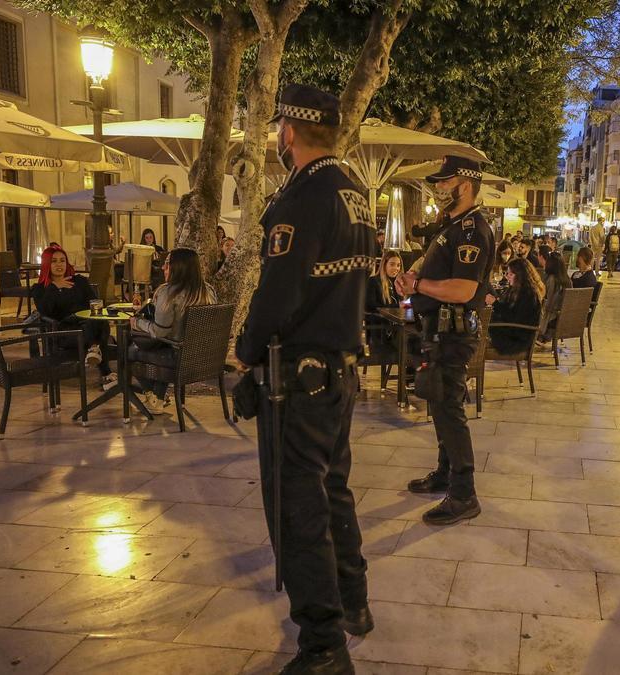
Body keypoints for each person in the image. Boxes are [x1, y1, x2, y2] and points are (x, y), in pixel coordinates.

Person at [233, 84, 374, 674]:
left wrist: (243, 354)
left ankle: (323, 643)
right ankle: (353, 604)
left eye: (277, 128)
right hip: (338, 373)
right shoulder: (357, 196)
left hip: (300, 377)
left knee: (299, 507)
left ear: (289, 131)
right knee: (332, 488)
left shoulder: (303, 199)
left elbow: (278, 296)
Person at [394, 155, 495, 527]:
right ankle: (444, 473)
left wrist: (418, 285)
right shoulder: (450, 227)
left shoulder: (472, 230)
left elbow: (463, 288)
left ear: (464, 185)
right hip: (437, 327)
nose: (437, 188)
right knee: (438, 401)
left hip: (453, 331)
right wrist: (410, 277)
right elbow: (429, 265)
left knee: (449, 409)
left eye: (443, 182)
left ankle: (464, 494)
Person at [130, 248, 215, 412]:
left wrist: (137, 323)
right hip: (206, 359)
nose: (163, 267)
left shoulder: (168, 293)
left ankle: (153, 396)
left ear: (179, 268)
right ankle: (158, 398)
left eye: (167, 264)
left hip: (179, 359)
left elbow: (160, 331)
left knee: (130, 352)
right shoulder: (208, 291)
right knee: (166, 346)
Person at [30, 245, 116, 389]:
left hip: (87, 326)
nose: (59, 264)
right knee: (94, 326)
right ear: (47, 264)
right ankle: (104, 370)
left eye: (62, 260)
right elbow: (44, 311)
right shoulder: (40, 289)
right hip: (64, 332)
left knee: (99, 320)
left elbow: (95, 302)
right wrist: (55, 286)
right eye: (54, 261)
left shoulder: (79, 281)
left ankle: (94, 349)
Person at [485, 258, 544, 354]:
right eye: (507, 273)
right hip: (514, 333)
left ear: (521, 276)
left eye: (511, 274)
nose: (507, 277)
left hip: (518, 340)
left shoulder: (528, 294)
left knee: (479, 334)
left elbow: (514, 317)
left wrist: (495, 303)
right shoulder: (516, 289)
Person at [366, 249, 403, 360]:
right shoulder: (373, 281)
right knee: (411, 343)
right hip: (381, 331)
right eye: (392, 264)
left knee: (417, 339)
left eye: (398, 265)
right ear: (384, 264)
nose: (396, 268)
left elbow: (400, 305)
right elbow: (370, 305)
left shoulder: (395, 283)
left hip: (396, 328)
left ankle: (410, 374)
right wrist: (398, 306)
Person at [538, 250, 571, 340]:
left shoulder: (552, 279)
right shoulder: (567, 279)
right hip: (563, 316)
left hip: (552, 317)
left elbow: (549, 303)